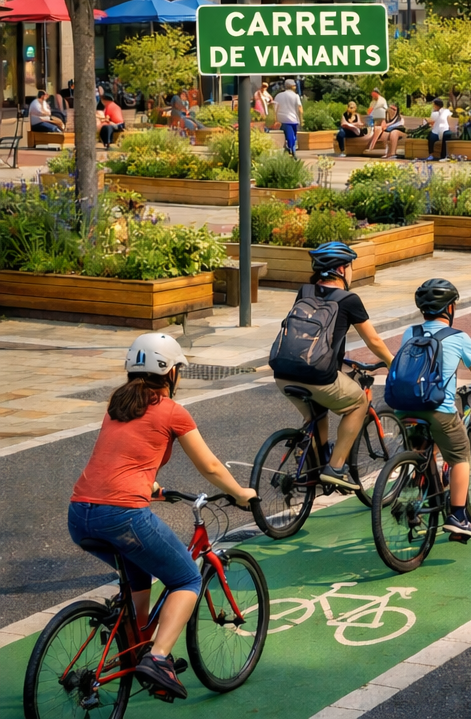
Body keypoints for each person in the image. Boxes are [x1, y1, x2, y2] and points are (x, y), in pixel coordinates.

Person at [68, 333, 257, 700]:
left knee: (138, 568)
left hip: (79, 514)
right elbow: (211, 466)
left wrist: (150, 484)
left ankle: (134, 641)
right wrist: (241, 493)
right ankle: (157, 659)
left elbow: (120, 455)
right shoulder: (172, 410)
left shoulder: (116, 404)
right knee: (186, 579)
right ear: (170, 372)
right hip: (122, 515)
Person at [270, 243, 394, 490]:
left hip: (283, 373)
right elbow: (374, 341)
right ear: (340, 269)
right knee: (359, 402)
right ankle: (335, 467)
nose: (351, 272)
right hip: (318, 376)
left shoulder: (304, 291)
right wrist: (394, 365)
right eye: (349, 267)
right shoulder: (349, 299)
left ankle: (312, 468)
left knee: (316, 413)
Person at [393, 279, 471, 537]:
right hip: (438, 409)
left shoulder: (411, 333)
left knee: (422, 449)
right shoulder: (459, 337)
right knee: (460, 456)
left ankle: (416, 496)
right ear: (450, 309)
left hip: (404, 408)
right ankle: (458, 516)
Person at [274, 79, 303, 154]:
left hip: (281, 119)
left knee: (287, 135)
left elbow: (274, 108)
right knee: (292, 136)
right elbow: (300, 109)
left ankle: (289, 148)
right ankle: (292, 149)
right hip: (293, 119)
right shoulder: (295, 96)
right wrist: (301, 120)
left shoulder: (278, 95)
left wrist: (275, 119)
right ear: (292, 86)